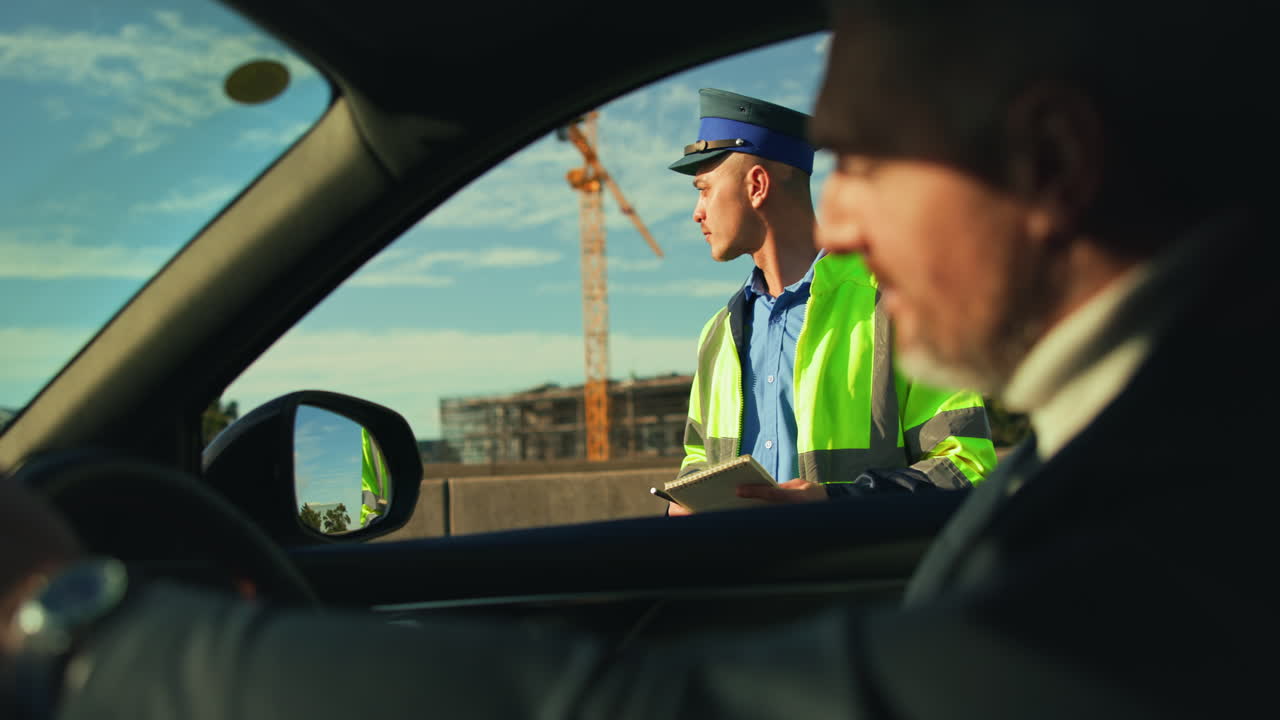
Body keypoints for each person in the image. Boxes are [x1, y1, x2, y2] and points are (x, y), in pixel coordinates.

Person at [2, 0, 1273, 716]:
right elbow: (715, 487)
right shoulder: (731, 333)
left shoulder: (1202, 513)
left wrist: (75, 626)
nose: (837, 215)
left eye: (872, 159)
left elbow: (958, 474)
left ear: (1048, 165)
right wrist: (703, 503)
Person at [668, 88, 995, 515]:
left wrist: (835, 502)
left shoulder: (904, 303)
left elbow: (966, 468)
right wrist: (686, 501)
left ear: (757, 185)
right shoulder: (717, 335)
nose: (697, 211)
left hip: (861, 579)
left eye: (705, 189)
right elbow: (697, 459)